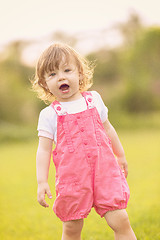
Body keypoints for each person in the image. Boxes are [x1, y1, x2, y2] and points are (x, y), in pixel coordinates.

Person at [33, 42, 137, 240]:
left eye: (67, 70)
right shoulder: (48, 115)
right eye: (52, 74)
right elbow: (44, 150)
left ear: (80, 73)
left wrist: (120, 154)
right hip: (72, 179)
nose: (61, 77)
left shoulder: (94, 99)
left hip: (105, 171)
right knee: (72, 227)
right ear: (44, 83)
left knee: (120, 219)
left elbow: (108, 128)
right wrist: (41, 181)